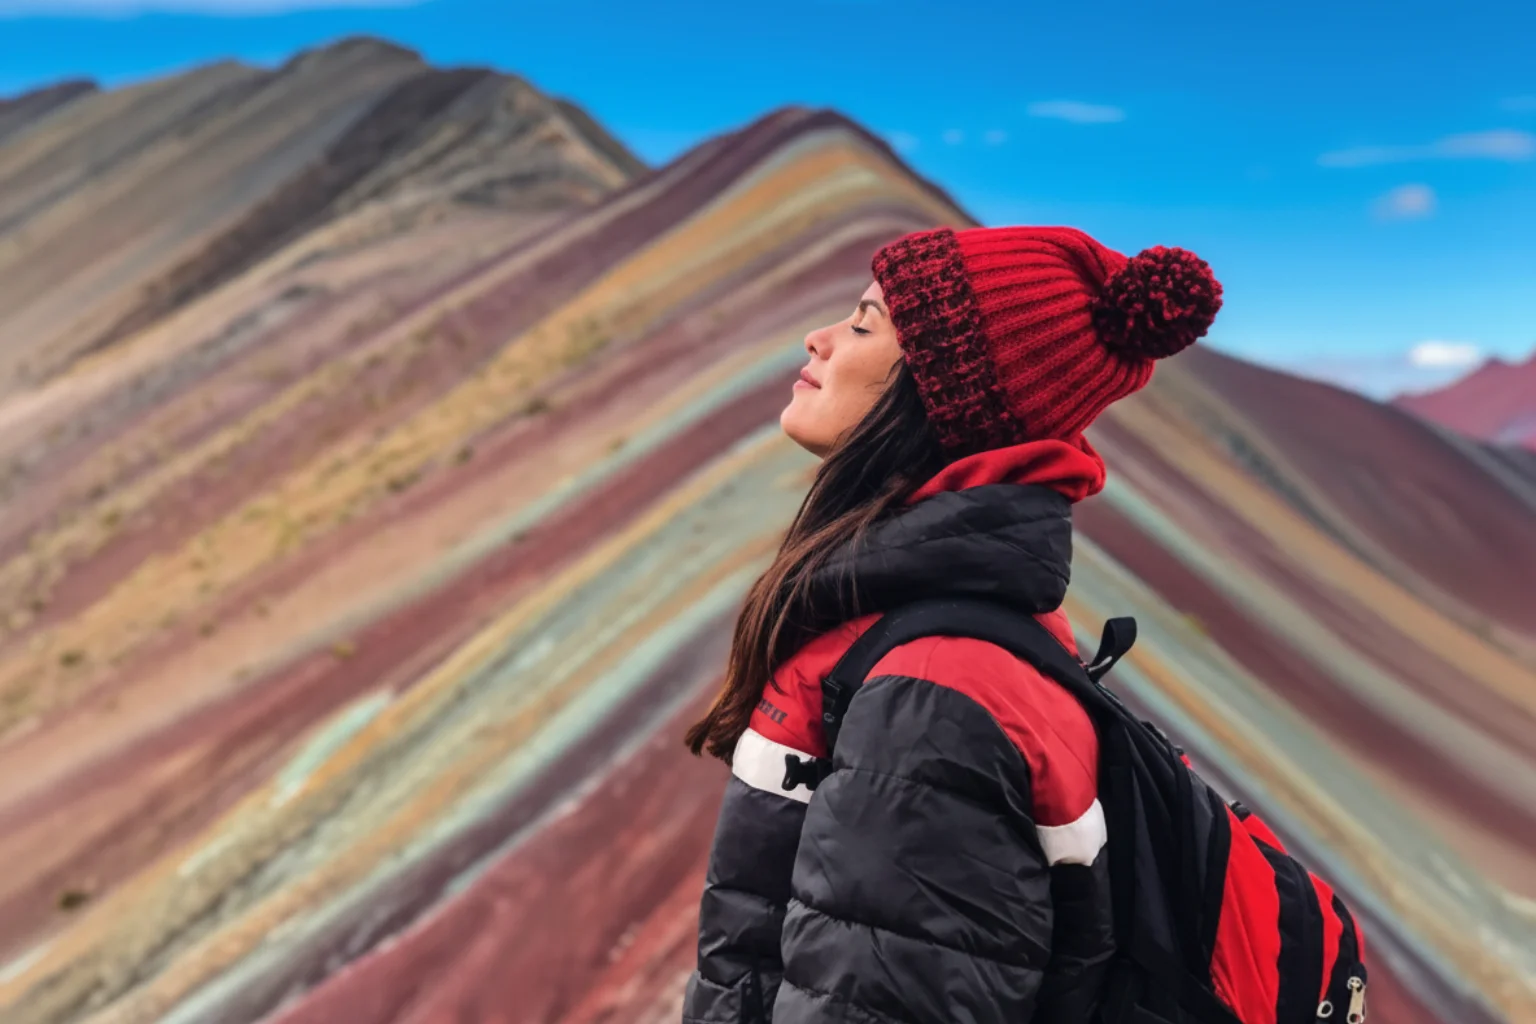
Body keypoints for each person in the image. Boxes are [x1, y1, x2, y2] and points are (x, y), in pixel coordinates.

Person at [681, 224, 1223, 1023]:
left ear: (943, 396)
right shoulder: (939, 643)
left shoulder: (931, 694)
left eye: (865, 324)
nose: (821, 339)